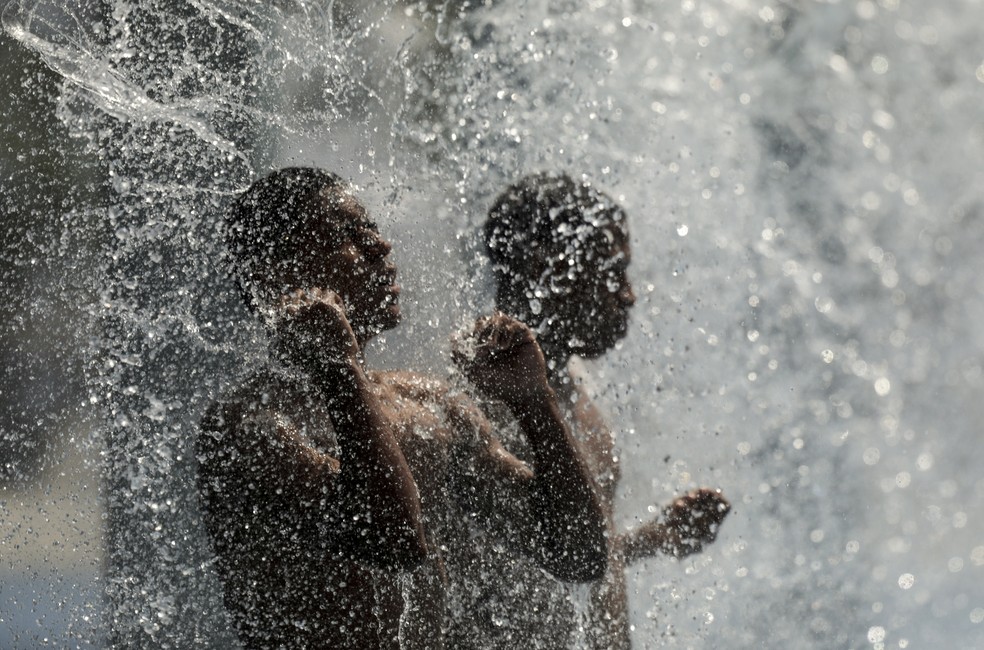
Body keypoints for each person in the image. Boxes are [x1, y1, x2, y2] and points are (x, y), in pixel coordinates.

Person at [196, 167, 607, 649]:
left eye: (371, 228)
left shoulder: (428, 404)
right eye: (348, 234)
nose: (381, 246)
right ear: (282, 277)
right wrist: (337, 366)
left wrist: (534, 403)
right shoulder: (250, 426)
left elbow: (578, 554)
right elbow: (391, 538)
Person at [448, 172, 731, 649]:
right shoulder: (486, 401)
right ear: (549, 267)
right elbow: (500, 571)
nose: (629, 295)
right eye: (613, 273)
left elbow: (578, 552)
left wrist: (656, 536)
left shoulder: (576, 392)